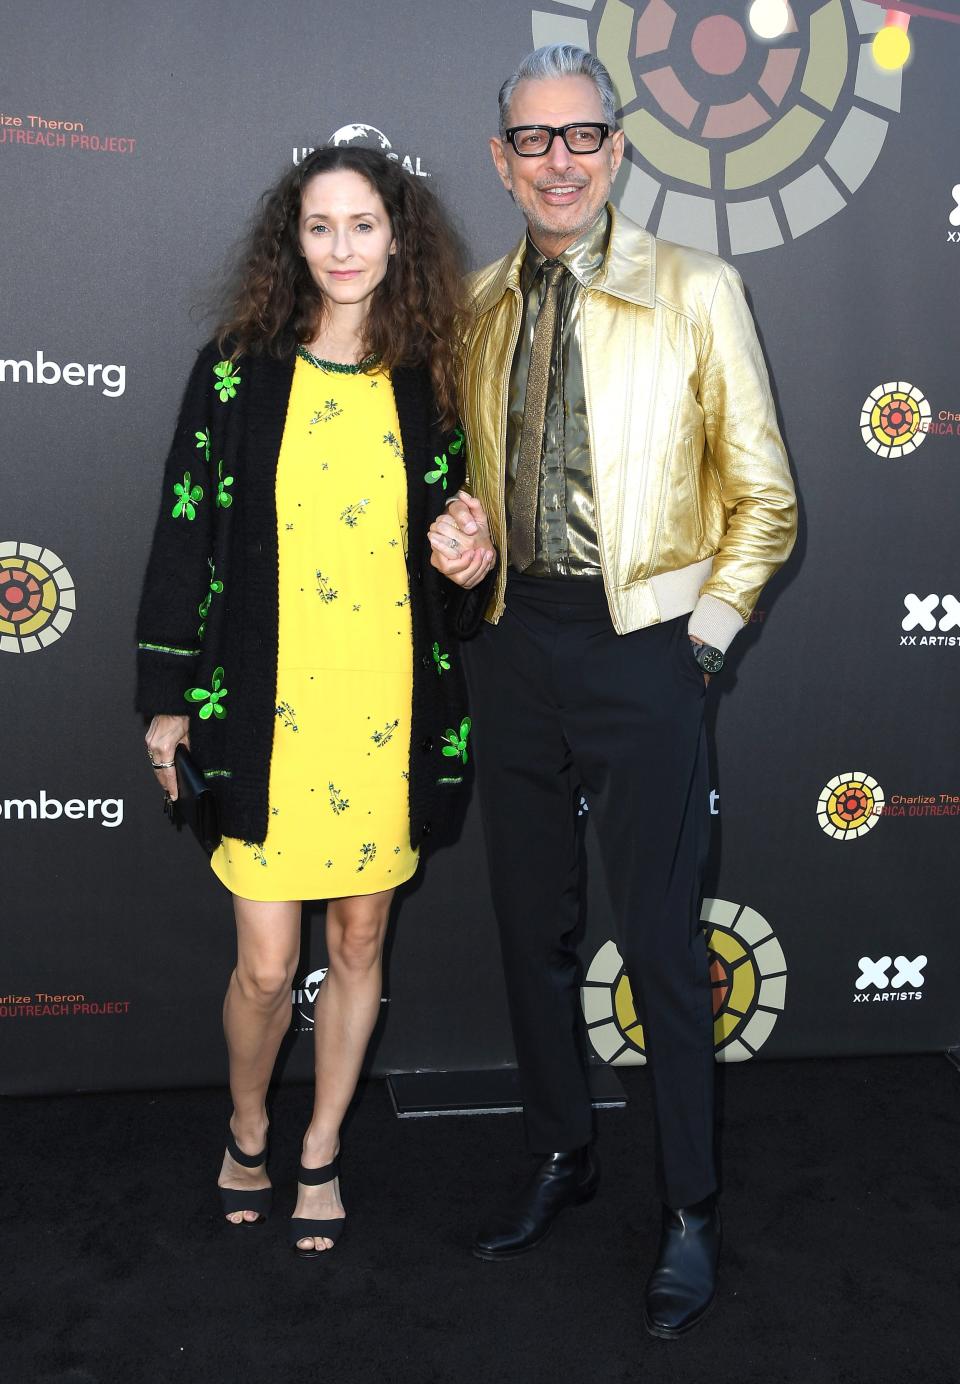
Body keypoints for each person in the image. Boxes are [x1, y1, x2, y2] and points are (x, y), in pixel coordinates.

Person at [430, 45, 797, 1336]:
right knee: (532, 931)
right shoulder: (471, 308)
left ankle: (689, 1206)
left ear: (618, 147)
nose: (560, 160)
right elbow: (469, 494)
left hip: (646, 653)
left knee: (657, 943)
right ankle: (560, 1151)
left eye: (583, 135)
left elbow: (767, 500)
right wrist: (463, 546)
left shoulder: (698, 289)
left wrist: (697, 644)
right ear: (501, 158)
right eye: (534, 140)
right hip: (512, 651)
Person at [135, 145, 494, 1256]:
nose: (343, 248)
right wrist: (166, 697)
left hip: (385, 703)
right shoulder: (237, 369)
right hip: (264, 710)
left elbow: (465, 550)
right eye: (321, 226)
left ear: (400, 237)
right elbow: (185, 532)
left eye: (364, 225)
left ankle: (323, 1144)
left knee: (363, 930)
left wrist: (472, 557)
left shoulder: (438, 377)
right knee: (265, 962)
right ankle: (248, 1123)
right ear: (293, 242)